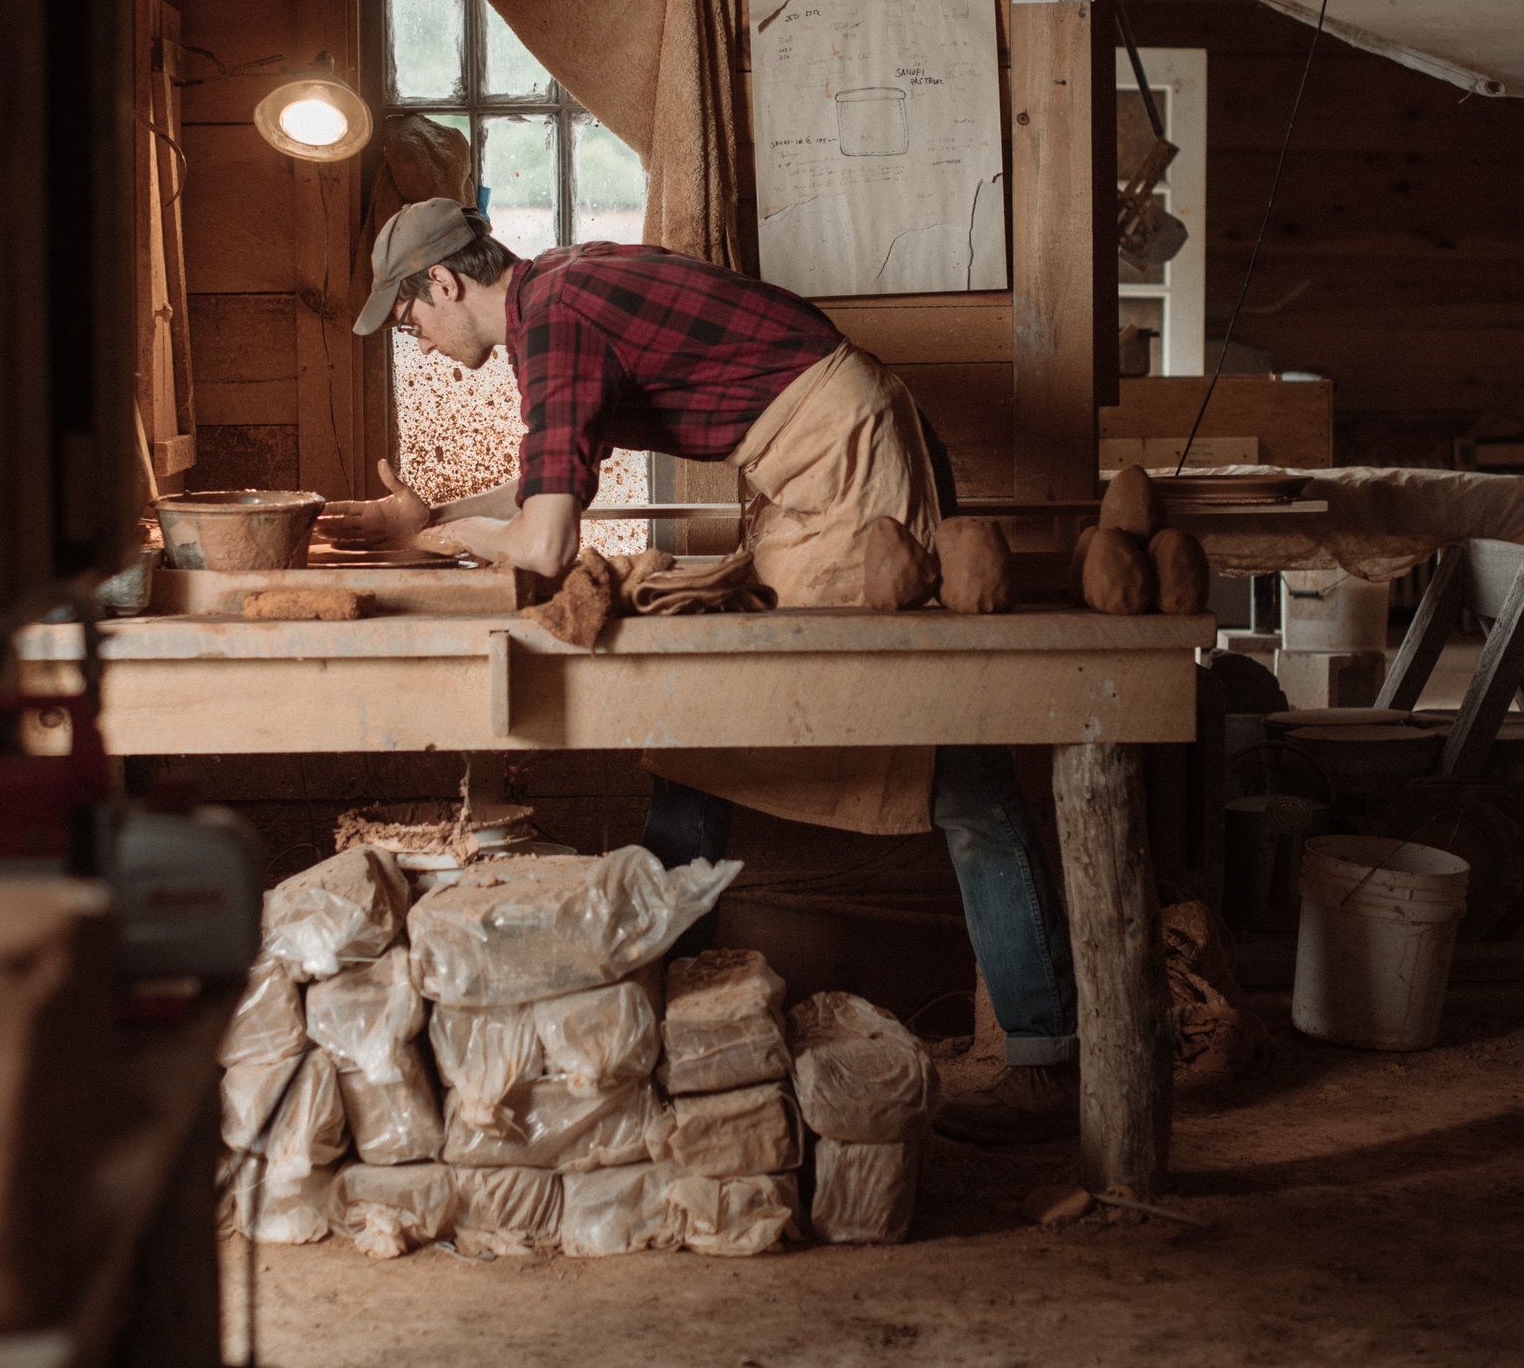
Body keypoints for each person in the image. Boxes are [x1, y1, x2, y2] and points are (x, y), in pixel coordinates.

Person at [320, 198, 1082, 1142]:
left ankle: (1048, 1056)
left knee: (943, 748)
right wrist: (425, 511)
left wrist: (447, 540)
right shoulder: (556, 294)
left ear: (443, 281)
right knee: (694, 751)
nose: (421, 346)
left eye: (411, 322)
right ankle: (646, 1024)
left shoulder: (553, 317)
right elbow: (553, 479)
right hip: (812, 457)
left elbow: (545, 542)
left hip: (847, 459)